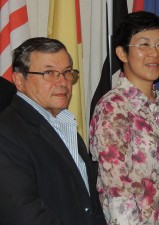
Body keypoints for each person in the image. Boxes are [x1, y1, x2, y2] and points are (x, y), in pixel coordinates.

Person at [0, 37, 106, 225]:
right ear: (19, 80)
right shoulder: (7, 131)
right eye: (49, 72)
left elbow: (89, 200)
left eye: (67, 72)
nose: (63, 82)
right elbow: (22, 211)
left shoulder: (64, 123)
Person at [90, 11, 159, 225]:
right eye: (144, 45)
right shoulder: (113, 107)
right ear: (122, 53)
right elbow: (116, 193)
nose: (154, 54)